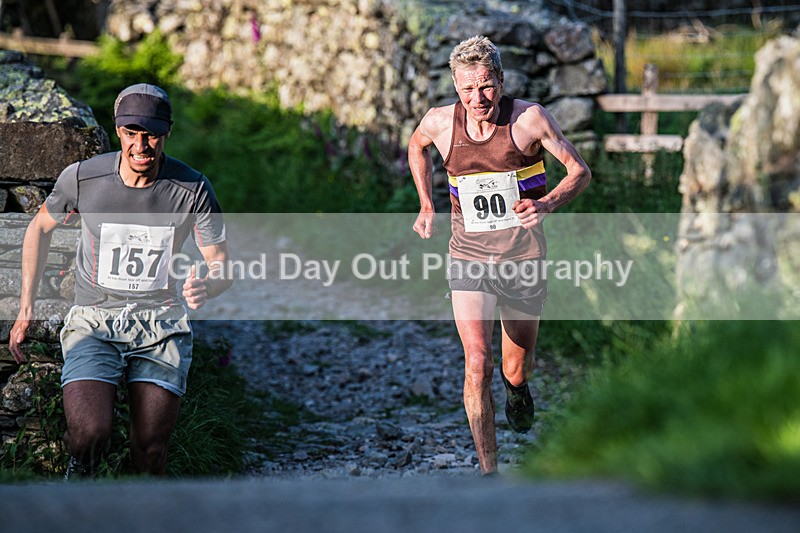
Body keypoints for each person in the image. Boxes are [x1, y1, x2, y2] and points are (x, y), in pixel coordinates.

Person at [8, 83, 232, 478]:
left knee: (150, 450)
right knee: (89, 434)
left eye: (152, 134)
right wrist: (26, 307)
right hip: (94, 321)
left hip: (160, 325)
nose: (141, 146)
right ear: (118, 131)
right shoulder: (83, 178)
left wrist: (207, 285)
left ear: (167, 132)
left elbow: (221, 264)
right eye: (131, 133)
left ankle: (139, 508)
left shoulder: (193, 188)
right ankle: (80, 483)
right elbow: (39, 228)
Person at [408, 36, 591, 475]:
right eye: (467, 89)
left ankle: (518, 389)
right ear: (456, 86)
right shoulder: (439, 122)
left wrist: (546, 204)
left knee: (515, 367)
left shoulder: (529, 120)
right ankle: (489, 472)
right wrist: (426, 203)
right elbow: (416, 146)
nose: (478, 99)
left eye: (487, 86)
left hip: (522, 259)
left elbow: (579, 171)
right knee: (477, 362)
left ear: (502, 80)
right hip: (468, 257)